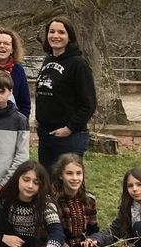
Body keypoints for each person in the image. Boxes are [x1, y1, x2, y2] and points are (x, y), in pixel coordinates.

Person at [35, 15, 97, 168]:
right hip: (46, 134)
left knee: (67, 183)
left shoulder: (78, 64)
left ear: (70, 37)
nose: (55, 36)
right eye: (52, 32)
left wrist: (69, 129)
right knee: (47, 184)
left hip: (69, 137)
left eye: (61, 32)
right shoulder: (48, 61)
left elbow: (88, 103)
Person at [51, 154, 111, 247]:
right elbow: (56, 236)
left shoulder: (89, 199)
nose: (75, 178)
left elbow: (93, 228)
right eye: (69, 173)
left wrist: (93, 239)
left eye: (79, 173)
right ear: (61, 175)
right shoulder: (54, 201)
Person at [0, 27, 31, 118]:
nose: (2, 46)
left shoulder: (18, 70)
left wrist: (21, 124)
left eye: (6, 43)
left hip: (11, 124)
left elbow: (24, 103)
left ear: (12, 49)